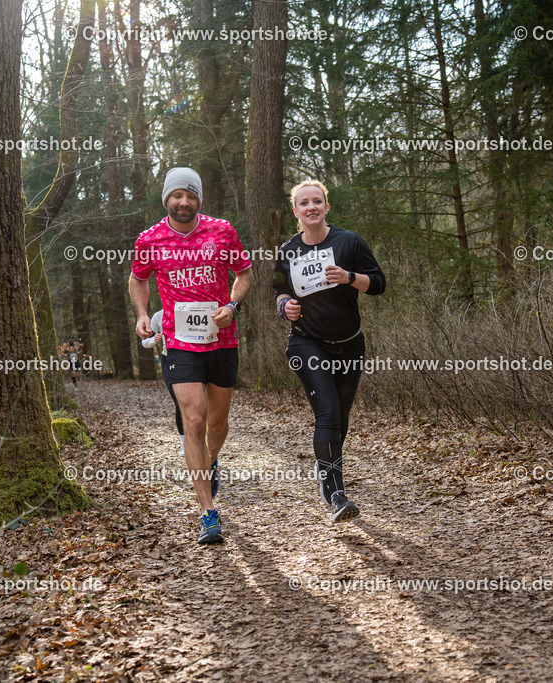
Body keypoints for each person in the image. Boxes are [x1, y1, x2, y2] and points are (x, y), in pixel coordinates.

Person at [129, 167, 252, 545]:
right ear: (166, 199)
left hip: (222, 340)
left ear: (199, 199)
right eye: (177, 195)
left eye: (191, 196)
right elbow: (138, 278)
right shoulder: (149, 239)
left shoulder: (222, 231)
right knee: (194, 420)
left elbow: (244, 273)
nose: (184, 202)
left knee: (217, 423)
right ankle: (208, 513)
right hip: (179, 342)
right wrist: (142, 314)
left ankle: (210, 460)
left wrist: (232, 305)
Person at [272, 179, 386, 522]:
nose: (311, 207)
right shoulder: (288, 251)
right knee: (328, 414)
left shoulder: (348, 242)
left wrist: (349, 277)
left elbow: (378, 284)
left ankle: (325, 470)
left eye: (317, 201)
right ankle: (336, 494)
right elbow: (279, 291)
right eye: (304, 203)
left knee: (341, 419)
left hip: (349, 343)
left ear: (326, 206)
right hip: (306, 342)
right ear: (296, 211)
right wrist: (285, 307)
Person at [151, 309, 184, 456]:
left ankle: (202, 441)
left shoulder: (189, 307)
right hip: (168, 358)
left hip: (190, 356)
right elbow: (145, 341)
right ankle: (185, 443)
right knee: (179, 402)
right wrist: (154, 339)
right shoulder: (158, 316)